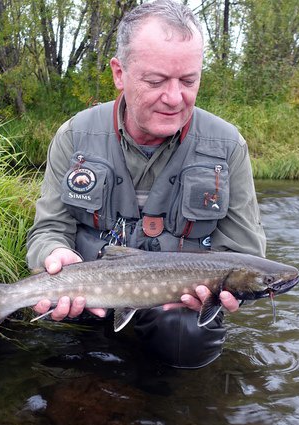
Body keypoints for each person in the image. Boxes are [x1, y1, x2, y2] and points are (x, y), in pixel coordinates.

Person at [26, 0, 266, 368]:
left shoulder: (227, 146)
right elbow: (49, 229)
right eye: (155, 81)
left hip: (179, 307)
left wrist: (226, 294)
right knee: (72, 358)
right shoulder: (75, 135)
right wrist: (51, 254)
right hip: (87, 297)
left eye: (188, 80)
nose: (174, 98)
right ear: (119, 73)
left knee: (186, 338)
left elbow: (243, 251)